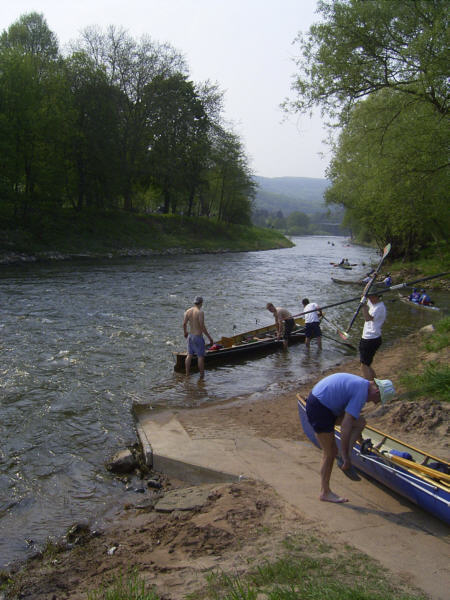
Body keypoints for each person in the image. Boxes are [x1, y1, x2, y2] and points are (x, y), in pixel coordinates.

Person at [305, 373, 395, 503]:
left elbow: (352, 420)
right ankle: (325, 492)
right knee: (330, 453)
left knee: (360, 422)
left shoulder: (362, 385)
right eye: (379, 399)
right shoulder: (361, 393)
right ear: (376, 391)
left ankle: (343, 457)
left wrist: (361, 441)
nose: (375, 403)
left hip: (324, 403)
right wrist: (347, 457)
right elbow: (346, 426)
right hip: (319, 408)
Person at [183, 296, 213, 378]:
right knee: (200, 357)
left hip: (190, 336)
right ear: (201, 303)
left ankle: (187, 373)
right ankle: (202, 376)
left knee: (189, 355)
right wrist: (209, 337)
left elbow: (184, 324)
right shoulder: (200, 312)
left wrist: (185, 332)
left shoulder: (188, 311)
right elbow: (202, 326)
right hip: (198, 337)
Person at [359, 292, 386, 380]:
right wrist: (371, 279)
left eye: (371, 297)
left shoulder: (380, 307)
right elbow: (364, 293)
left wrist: (363, 306)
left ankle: (371, 387)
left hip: (371, 339)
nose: (369, 299)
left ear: (376, 296)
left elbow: (367, 318)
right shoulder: (373, 303)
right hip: (368, 337)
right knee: (367, 365)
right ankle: (376, 384)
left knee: (364, 366)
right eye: (369, 297)